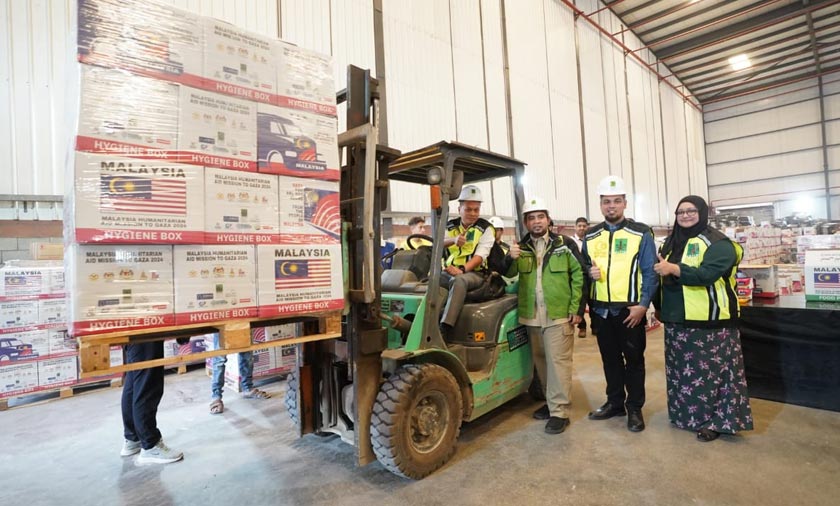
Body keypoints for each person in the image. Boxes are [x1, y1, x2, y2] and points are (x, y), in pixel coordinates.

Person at [653, 195, 753, 442]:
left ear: (702, 213)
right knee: (683, 373)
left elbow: (707, 274)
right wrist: (659, 307)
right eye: (681, 212)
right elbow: (660, 278)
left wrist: (674, 269)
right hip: (677, 320)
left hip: (711, 322)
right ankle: (688, 417)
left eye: (691, 211)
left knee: (714, 376)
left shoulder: (719, 243)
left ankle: (717, 422)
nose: (685, 215)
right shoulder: (670, 243)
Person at [582, 175, 658, 432]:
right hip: (601, 310)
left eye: (616, 201)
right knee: (610, 359)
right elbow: (582, 268)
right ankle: (615, 403)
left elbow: (650, 272)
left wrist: (643, 305)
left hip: (630, 310)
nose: (611, 206)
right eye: (606, 201)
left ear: (625, 203)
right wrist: (588, 272)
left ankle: (634, 407)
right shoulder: (591, 235)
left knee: (634, 361)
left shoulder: (641, 233)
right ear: (600, 205)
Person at [507, 197, 583, 434]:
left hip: (558, 314)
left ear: (548, 220)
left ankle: (559, 412)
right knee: (541, 361)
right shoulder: (520, 248)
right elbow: (507, 274)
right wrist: (510, 257)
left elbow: (579, 275)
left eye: (540, 216)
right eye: (531, 218)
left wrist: (577, 309)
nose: (537, 221)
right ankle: (552, 404)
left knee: (558, 362)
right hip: (531, 315)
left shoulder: (564, 244)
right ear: (526, 223)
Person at [439, 185, 496, 332]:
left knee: (459, 281)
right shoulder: (449, 226)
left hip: (475, 274)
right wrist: (453, 240)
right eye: (468, 209)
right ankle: (425, 320)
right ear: (459, 209)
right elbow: (437, 243)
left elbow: (480, 256)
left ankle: (445, 327)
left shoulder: (485, 229)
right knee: (432, 280)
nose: (473, 213)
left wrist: (462, 270)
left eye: (476, 210)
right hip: (449, 271)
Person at [120, 341, 184, 464]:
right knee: (148, 382)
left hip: (134, 334)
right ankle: (150, 444)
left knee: (134, 381)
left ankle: (133, 438)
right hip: (142, 335)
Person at [209, 334, 271, 415]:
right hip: (221, 327)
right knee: (219, 360)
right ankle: (216, 396)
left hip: (242, 326)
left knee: (247, 356)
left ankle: (247, 389)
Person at [572, 217, 591, 338]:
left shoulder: (591, 240)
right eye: (579, 226)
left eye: (584, 226)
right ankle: (582, 327)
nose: (582, 228)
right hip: (577, 275)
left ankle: (595, 326)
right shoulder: (570, 242)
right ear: (575, 227)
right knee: (580, 300)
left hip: (591, 274)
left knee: (593, 301)